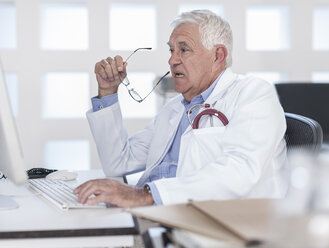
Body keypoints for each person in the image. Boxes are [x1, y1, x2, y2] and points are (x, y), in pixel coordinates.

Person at [74, 10, 288, 207]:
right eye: (171, 50)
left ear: (218, 56)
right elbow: (118, 162)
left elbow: (240, 172)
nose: (172, 60)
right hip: (155, 215)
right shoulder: (175, 109)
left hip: (208, 223)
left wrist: (143, 196)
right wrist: (108, 92)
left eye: (183, 49)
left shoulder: (253, 94)